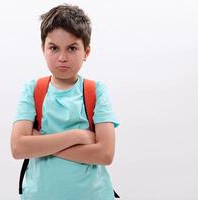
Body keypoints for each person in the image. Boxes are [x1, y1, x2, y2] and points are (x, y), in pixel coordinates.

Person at [10, 4, 120, 200]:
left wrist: (40, 142)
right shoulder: (33, 90)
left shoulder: (96, 91)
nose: (62, 58)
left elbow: (105, 154)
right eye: (54, 48)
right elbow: (18, 148)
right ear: (43, 48)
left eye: (72, 48)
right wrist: (78, 136)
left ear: (86, 51)